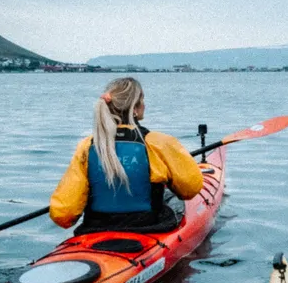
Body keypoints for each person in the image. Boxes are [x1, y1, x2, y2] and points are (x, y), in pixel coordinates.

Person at [49, 76, 205, 233]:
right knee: (172, 202)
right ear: (135, 109)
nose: (145, 105)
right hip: (149, 227)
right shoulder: (159, 142)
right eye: (142, 100)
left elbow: (64, 213)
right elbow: (190, 189)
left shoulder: (87, 146)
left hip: (96, 229)